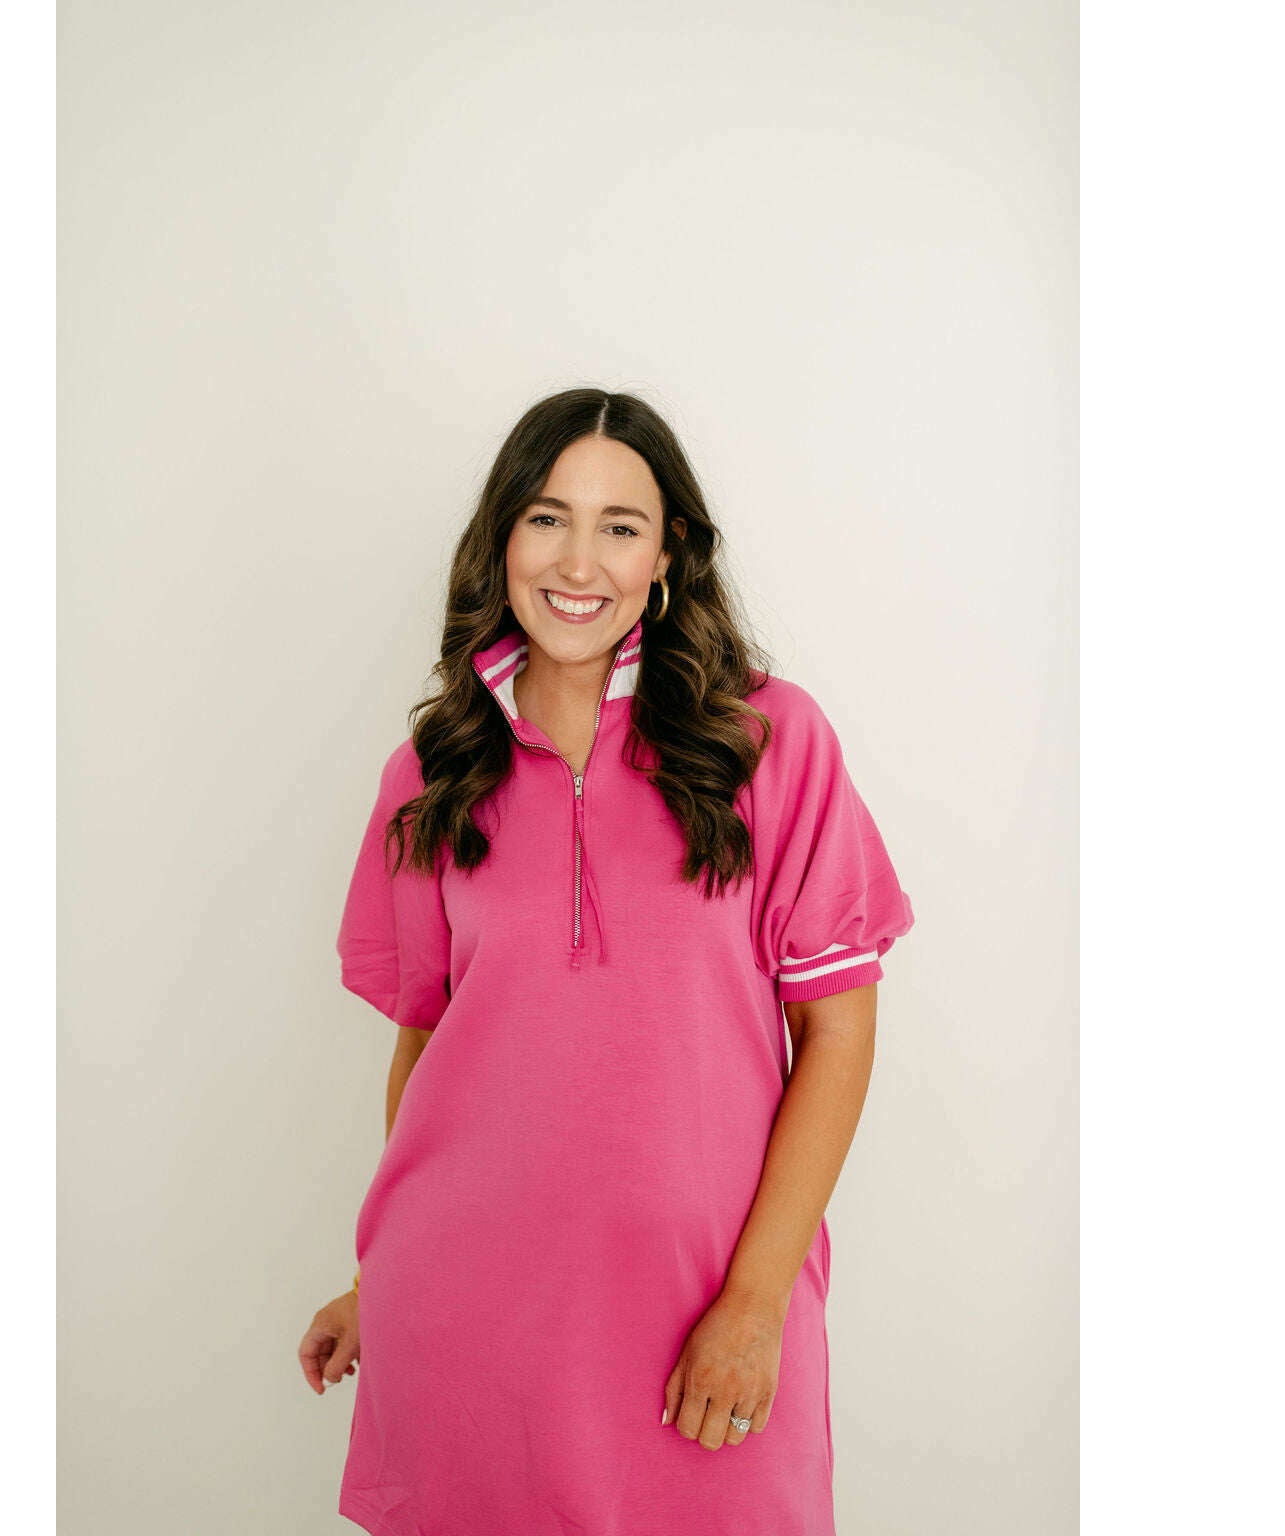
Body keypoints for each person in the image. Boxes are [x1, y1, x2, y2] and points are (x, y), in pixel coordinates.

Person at [297, 387, 916, 1535]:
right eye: (547, 517)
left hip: (702, 1323)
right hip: (465, 1319)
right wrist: (378, 1279)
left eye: (619, 525)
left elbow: (838, 1030)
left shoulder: (767, 743)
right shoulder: (431, 774)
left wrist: (755, 1304)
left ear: (666, 552)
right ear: (501, 538)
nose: (578, 561)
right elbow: (430, 1041)